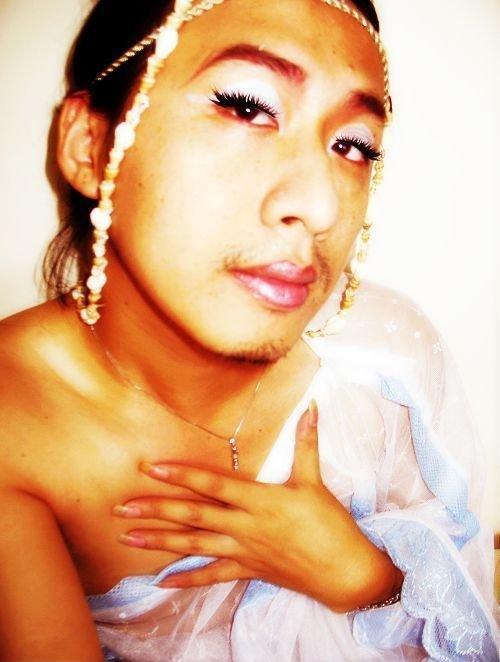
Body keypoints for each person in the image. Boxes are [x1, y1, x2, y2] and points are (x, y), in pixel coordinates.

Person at [0, 0, 498, 660]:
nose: (321, 205)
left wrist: (365, 578)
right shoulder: (14, 425)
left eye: (353, 146)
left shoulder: (382, 357)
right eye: (245, 107)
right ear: (91, 146)